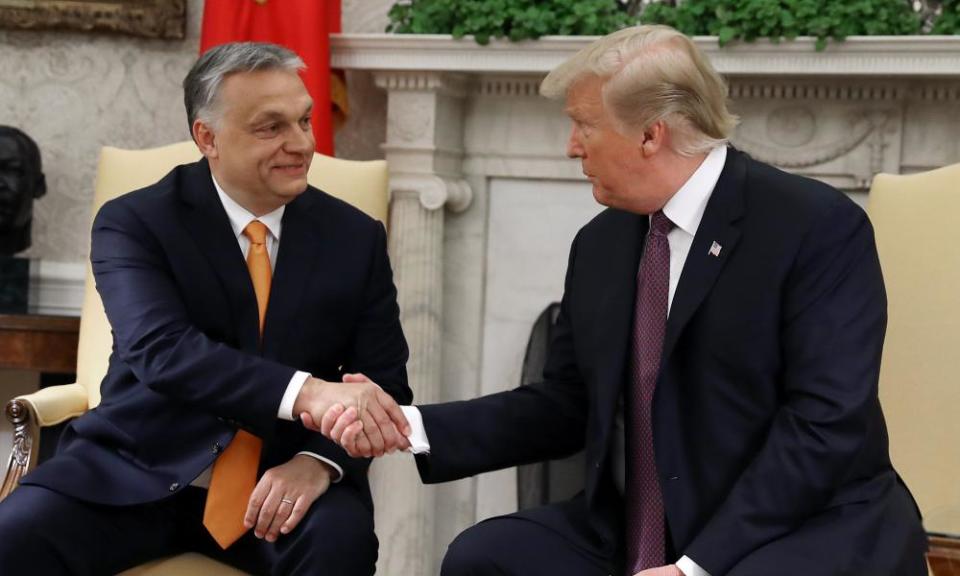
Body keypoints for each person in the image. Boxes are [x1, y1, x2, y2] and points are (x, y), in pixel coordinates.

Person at [318, 25, 927, 576]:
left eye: (583, 124)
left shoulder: (815, 227)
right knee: (486, 559)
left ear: (649, 135)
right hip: (637, 527)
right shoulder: (601, 243)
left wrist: (695, 567)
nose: (571, 146)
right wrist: (407, 426)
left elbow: (822, 428)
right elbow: (564, 403)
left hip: (798, 525)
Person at [0, 42, 411, 576]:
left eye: (305, 120)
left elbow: (384, 383)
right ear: (207, 137)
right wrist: (310, 390)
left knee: (341, 544)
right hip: (133, 468)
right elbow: (164, 352)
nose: (302, 143)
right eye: (272, 127)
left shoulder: (355, 237)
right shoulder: (136, 222)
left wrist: (318, 463)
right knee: (11, 538)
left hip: (280, 479)